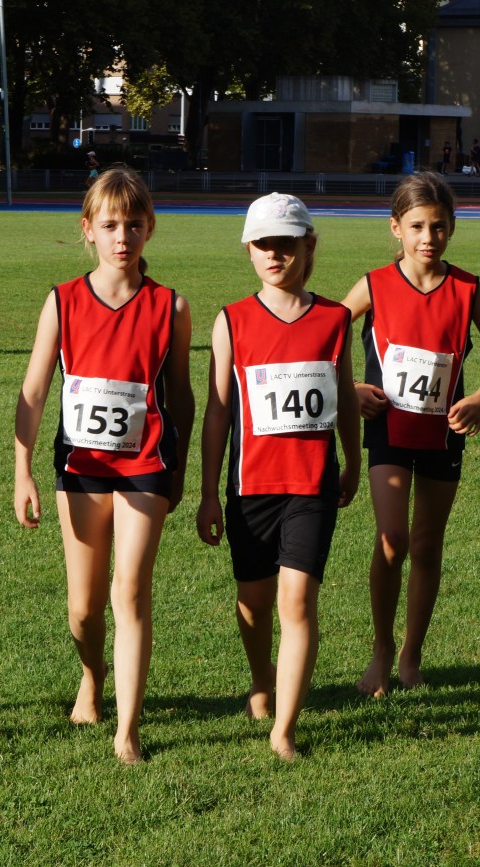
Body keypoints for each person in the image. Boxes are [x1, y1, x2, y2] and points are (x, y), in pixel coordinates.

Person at [13, 166, 194, 764]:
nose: (123, 237)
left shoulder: (170, 306)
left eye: (134, 225)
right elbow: (34, 392)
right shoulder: (62, 301)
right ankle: (92, 676)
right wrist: (22, 470)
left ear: (150, 229)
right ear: (88, 229)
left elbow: (181, 397)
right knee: (84, 608)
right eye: (111, 225)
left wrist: (178, 470)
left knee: (131, 591)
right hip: (81, 467)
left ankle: (128, 729)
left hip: (145, 465)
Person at [196, 194, 361, 760]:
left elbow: (344, 398)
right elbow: (218, 411)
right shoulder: (231, 320)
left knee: (297, 602)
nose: (274, 254)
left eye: (285, 244)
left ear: (309, 246)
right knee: (254, 601)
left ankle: (283, 731)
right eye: (263, 244)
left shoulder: (334, 319)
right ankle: (260, 680)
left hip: (312, 486)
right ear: (248, 250)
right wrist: (208, 493)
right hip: (251, 488)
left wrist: (353, 460)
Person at [340, 172, 480, 698]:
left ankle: (411, 656)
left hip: (444, 433)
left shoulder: (466, 288)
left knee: (426, 545)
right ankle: (380, 651)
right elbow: (325, 336)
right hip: (389, 431)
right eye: (417, 226)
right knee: (392, 540)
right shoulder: (374, 285)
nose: (428, 237)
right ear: (396, 228)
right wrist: (352, 388)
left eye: (438, 227)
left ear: (452, 228)